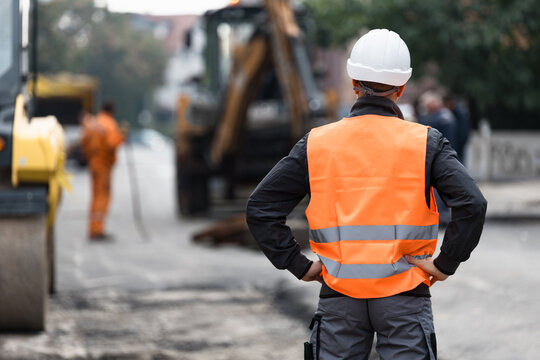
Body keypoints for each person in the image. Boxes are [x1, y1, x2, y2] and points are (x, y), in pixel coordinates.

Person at [246, 29, 487, 360]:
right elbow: (472, 203)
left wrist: (299, 265)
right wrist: (446, 263)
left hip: (339, 295)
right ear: (402, 88)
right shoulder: (426, 142)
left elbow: (260, 208)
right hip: (405, 296)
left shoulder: (317, 143)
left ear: (353, 82)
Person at [81, 102, 125, 240]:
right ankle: (98, 230)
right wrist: (122, 135)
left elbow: (84, 142)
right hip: (104, 166)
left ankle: (92, 228)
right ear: (112, 111)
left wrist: (90, 157)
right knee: (103, 197)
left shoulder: (93, 123)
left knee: (94, 197)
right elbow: (112, 144)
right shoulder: (109, 124)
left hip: (93, 163)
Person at [418, 91, 459, 226]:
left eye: (426, 104)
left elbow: (428, 129)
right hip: (446, 155)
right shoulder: (444, 115)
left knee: (439, 189)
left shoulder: (441, 117)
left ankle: (442, 217)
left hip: (441, 157)